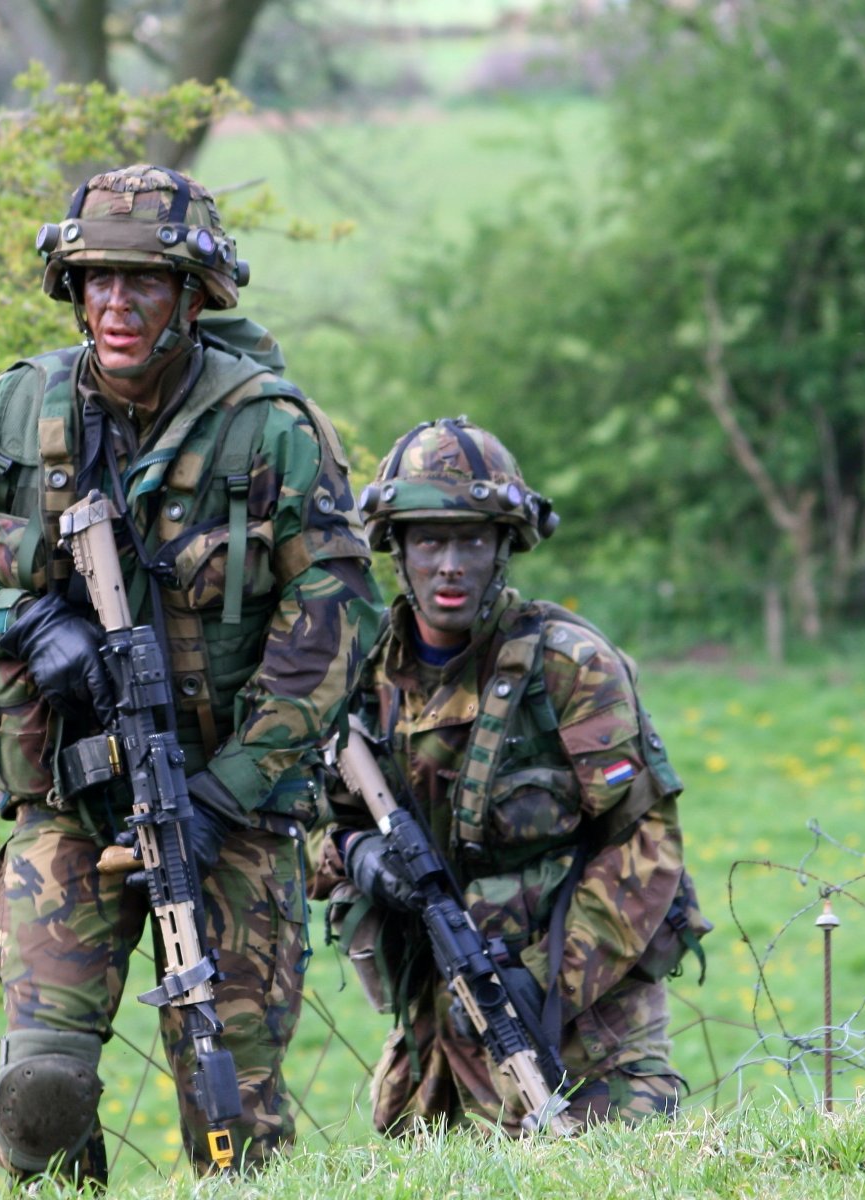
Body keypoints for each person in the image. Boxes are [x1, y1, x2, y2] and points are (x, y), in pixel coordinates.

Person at [0, 164, 379, 1183]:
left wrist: (223, 793)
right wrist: (23, 622)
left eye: (143, 282)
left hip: (229, 807)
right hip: (66, 802)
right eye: (97, 280)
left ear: (194, 296)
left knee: (231, 1116)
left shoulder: (272, 429)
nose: (115, 303)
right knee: (40, 1099)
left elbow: (336, 620)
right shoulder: (9, 414)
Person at [312, 417, 708, 1134]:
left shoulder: (568, 667)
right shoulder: (366, 678)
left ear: (503, 547)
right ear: (396, 549)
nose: (450, 565)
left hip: (587, 1034)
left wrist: (540, 981)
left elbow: (646, 844)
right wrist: (355, 856)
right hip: (435, 1037)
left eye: (471, 539)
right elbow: (314, 824)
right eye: (429, 540)